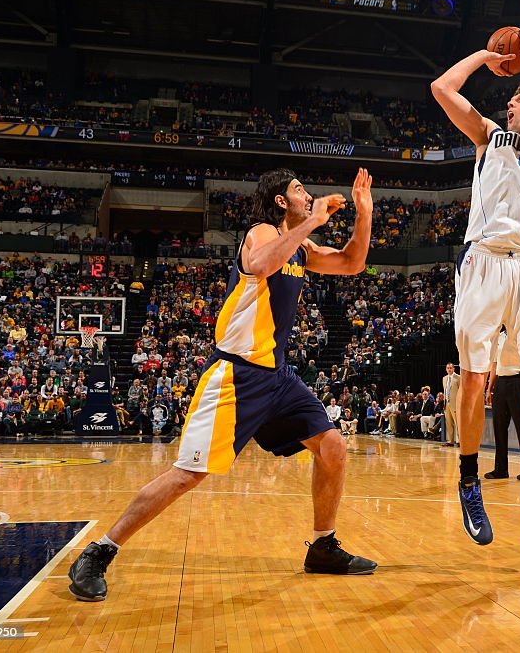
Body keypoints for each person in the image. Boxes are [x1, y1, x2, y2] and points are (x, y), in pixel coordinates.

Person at [67, 168, 378, 603]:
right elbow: (262, 264)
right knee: (187, 475)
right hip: (236, 375)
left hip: (278, 376)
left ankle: (323, 546)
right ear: (280, 202)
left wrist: (364, 213)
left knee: (333, 446)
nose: (309, 196)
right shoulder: (260, 233)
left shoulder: (302, 248)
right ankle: (100, 551)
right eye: (299, 191)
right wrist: (314, 219)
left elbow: (352, 262)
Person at [431, 20, 520, 545]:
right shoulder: (488, 136)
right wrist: (484, 57)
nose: (510, 104)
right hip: (485, 262)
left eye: (518, 101)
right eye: (508, 100)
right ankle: (469, 484)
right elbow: (442, 89)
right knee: (473, 378)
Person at [485, 328, 520, 481]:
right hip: (500, 383)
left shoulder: (519, 332)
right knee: (498, 428)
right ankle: (500, 470)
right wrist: (489, 388)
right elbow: (494, 364)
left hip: (518, 381)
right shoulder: (496, 337)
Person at [442, 362, 461, 447]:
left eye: (450, 368)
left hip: (455, 404)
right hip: (447, 403)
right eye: (448, 368)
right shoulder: (444, 378)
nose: (449, 369)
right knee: (449, 423)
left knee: (457, 423)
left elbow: (461, 391)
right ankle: (450, 441)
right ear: (446, 369)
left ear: (453, 369)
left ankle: (459, 441)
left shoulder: (458, 378)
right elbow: (445, 391)